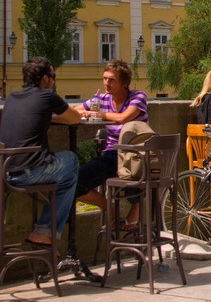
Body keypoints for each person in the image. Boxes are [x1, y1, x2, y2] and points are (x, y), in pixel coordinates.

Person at [0, 57, 82, 247]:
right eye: (53, 76)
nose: (53, 81)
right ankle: (45, 231)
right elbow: (75, 118)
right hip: (29, 173)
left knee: (62, 170)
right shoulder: (48, 96)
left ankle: (45, 231)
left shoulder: (12, 98)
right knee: (71, 160)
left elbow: (39, 117)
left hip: (6, 172)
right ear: (45, 78)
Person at [75, 60, 147, 230]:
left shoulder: (138, 97)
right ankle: (109, 206)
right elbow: (74, 110)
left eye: (112, 80)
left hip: (135, 154)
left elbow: (123, 117)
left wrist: (98, 114)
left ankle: (137, 206)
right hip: (112, 154)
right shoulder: (100, 99)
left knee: (133, 181)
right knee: (74, 182)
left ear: (124, 83)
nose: (107, 83)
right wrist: (84, 111)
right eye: (105, 79)